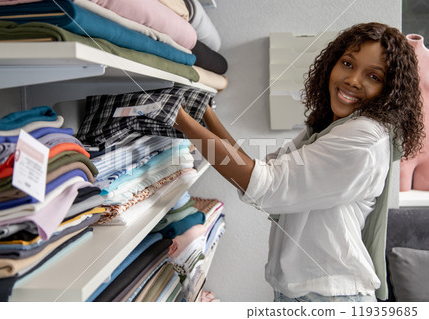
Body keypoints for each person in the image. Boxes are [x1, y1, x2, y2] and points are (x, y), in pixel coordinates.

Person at [172, 22, 425, 302]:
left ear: (389, 90)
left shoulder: (364, 136)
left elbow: (265, 186)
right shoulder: (327, 128)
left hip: (329, 299)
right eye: (348, 63)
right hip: (307, 293)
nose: (354, 80)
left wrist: (177, 118)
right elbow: (258, 169)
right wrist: (203, 112)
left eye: (374, 76)